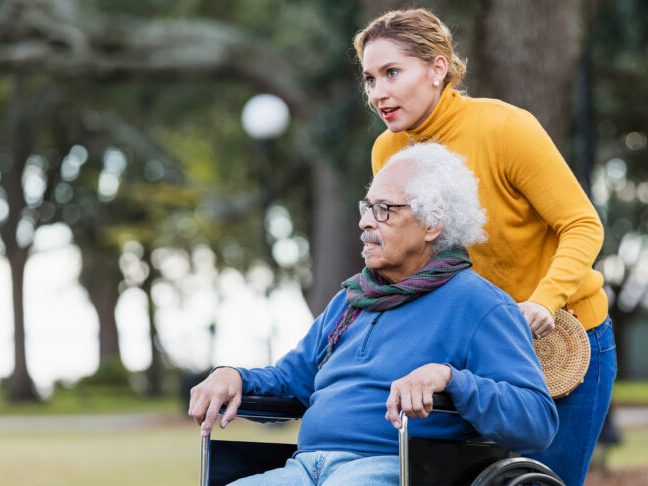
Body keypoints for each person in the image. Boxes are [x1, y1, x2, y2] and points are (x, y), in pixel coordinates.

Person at [189, 143, 557, 486]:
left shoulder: (480, 304)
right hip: (303, 468)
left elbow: (536, 421)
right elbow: (292, 382)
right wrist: (233, 376)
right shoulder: (353, 299)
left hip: (392, 467)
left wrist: (450, 378)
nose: (366, 222)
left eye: (384, 210)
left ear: (433, 222)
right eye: (366, 208)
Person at [353, 8, 617, 486]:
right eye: (370, 78)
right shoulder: (388, 152)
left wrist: (544, 300)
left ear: (438, 69)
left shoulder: (505, 129)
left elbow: (582, 224)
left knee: (538, 482)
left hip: (563, 339)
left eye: (392, 72)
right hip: (474, 352)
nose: (378, 93)